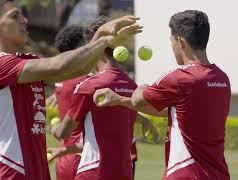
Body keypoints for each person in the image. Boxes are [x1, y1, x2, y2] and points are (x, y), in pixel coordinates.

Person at [0, 0, 142, 179]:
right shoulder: (2, 64)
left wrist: (99, 38)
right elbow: (57, 66)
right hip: (11, 170)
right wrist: (102, 40)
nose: (25, 20)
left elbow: (77, 70)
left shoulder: (24, 60)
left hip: (36, 170)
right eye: (15, 16)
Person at [93, 10, 231, 179]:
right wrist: (119, 100)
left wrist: (141, 86)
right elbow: (178, 112)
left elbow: (138, 101)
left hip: (185, 173)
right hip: (218, 174)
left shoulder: (180, 78)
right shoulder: (222, 79)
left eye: (171, 41)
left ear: (180, 42)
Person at [51, 16, 139, 180]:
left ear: (94, 47)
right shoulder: (132, 86)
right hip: (124, 172)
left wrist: (54, 129)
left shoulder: (88, 86)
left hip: (93, 171)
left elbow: (64, 133)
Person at [51, 25, 88, 180]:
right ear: (78, 48)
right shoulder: (85, 80)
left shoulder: (60, 77)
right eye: (86, 44)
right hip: (82, 156)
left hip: (64, 155)